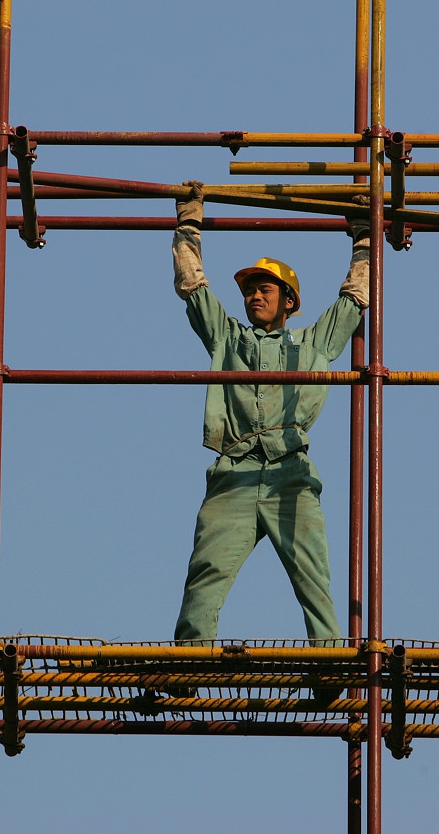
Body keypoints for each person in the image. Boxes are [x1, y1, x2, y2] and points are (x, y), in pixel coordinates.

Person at [171, 182, 370, 642]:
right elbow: (193, 287)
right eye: (249, 291)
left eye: (264, 289)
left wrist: (364, 236)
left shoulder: (313, 344)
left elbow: (356, 297)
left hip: (290, 475)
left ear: (288, 301)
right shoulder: (228, 338)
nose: (253, 297)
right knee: (205, 577)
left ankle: (328, 667)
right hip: (234, 474)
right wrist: (188, 225)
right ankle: (187, 665)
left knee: (314, 582)